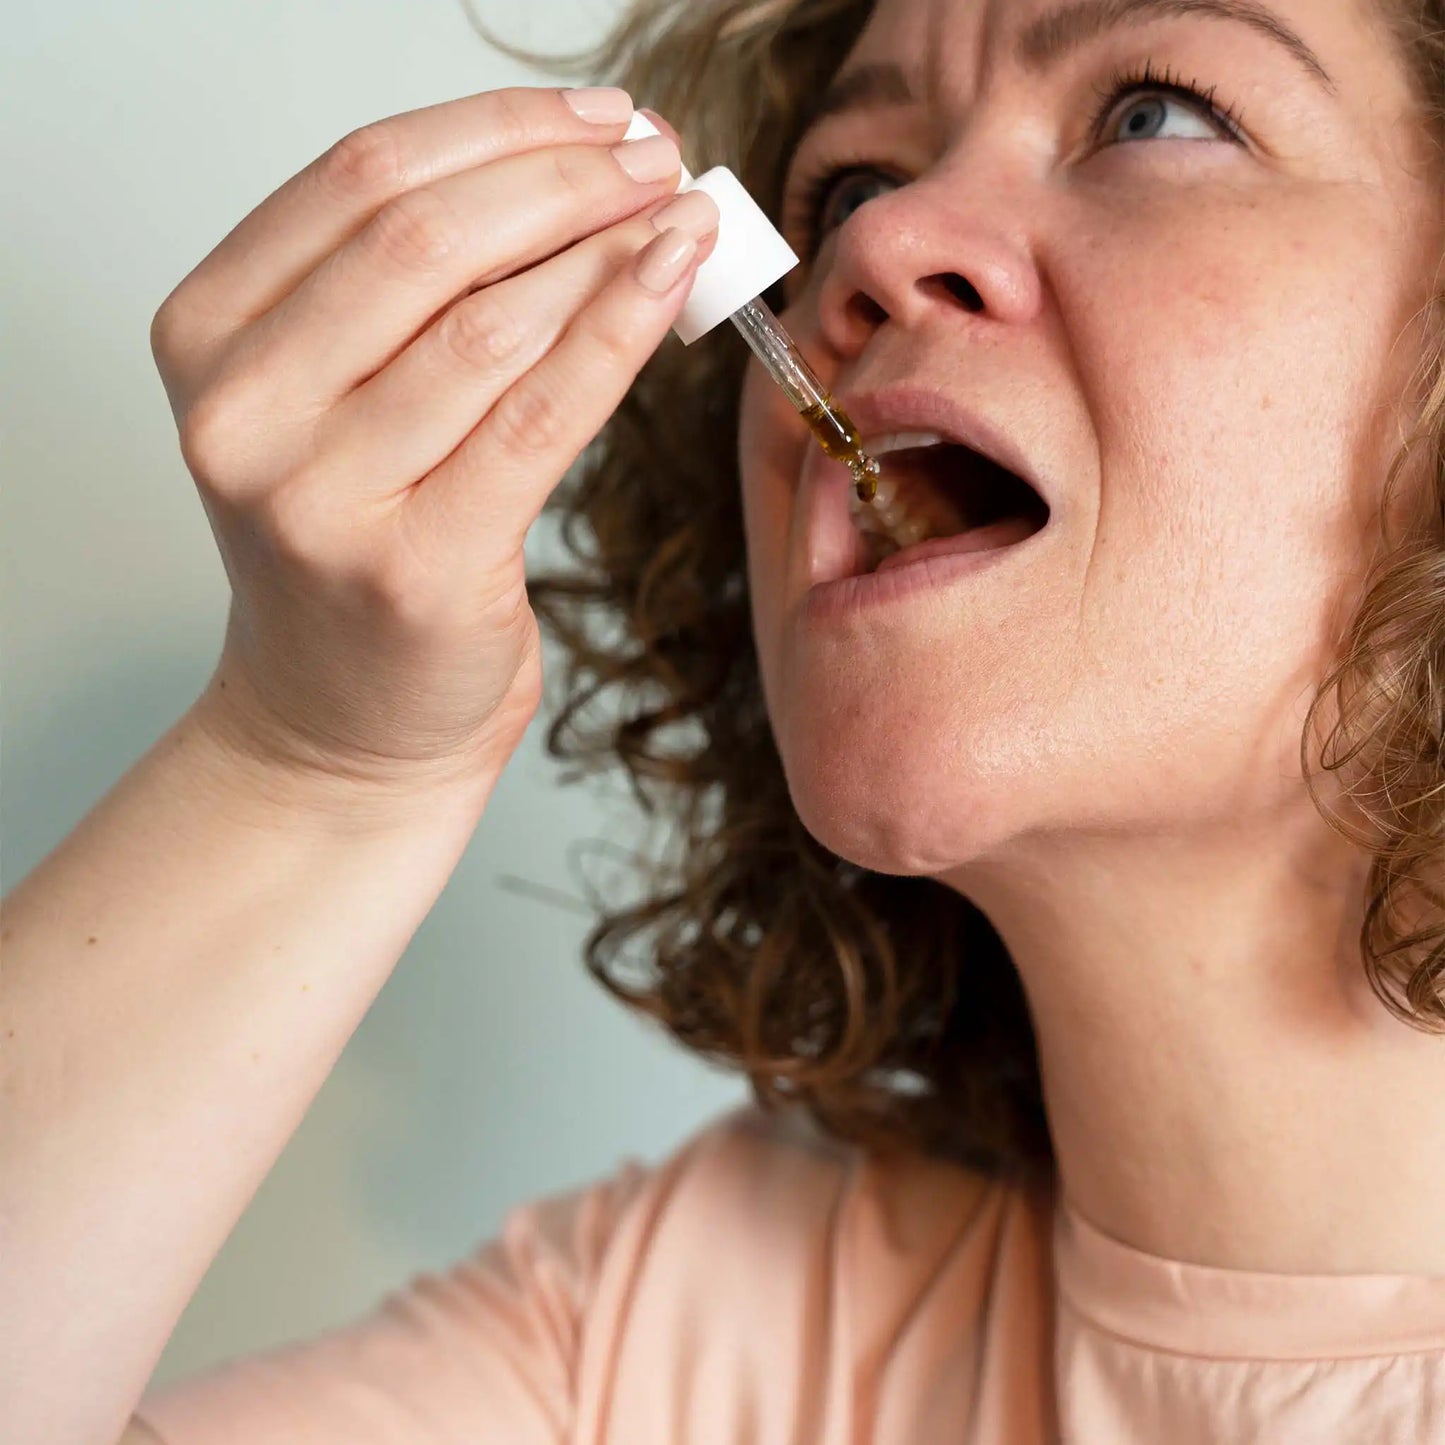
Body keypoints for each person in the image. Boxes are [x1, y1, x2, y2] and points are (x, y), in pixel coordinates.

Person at [4, 0, 1444, 1439]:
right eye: (848, 190)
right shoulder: (663, 1336)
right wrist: (307, 761)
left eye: (1153, 115)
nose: (874, 249)